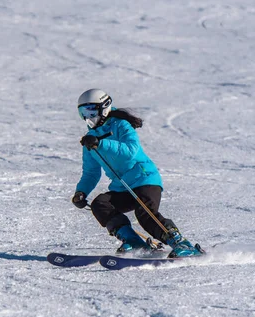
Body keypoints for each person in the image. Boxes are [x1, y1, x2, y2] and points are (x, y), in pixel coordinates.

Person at [71, 88, 204, 258]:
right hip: (122, 187)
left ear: (104, 108)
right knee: (100, 204)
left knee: (145, 213)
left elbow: (131, 151)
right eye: (83, 112)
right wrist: (81, 192)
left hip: (144, 179)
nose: (87, 117)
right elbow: (91, 172)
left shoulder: (121, 125)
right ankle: (134, 242)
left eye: (90, 110)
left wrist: (101, 143)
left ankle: (181, 243)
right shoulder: (90, 139)